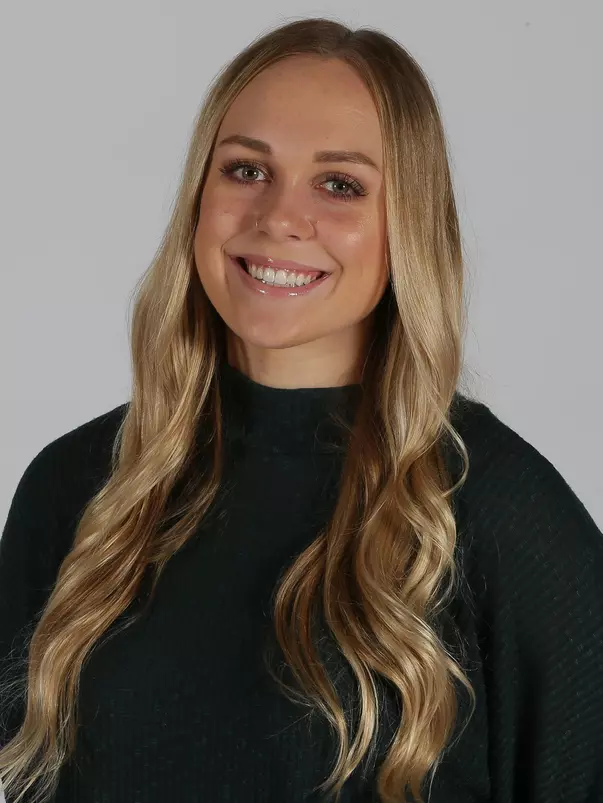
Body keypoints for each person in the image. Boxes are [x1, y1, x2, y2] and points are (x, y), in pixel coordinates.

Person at [0, 15, 601, 803]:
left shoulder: (496, 509)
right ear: (197, 199)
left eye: (340, 184)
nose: (280, 216)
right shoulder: (78, 489)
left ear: (406, 225)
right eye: (245, 170)